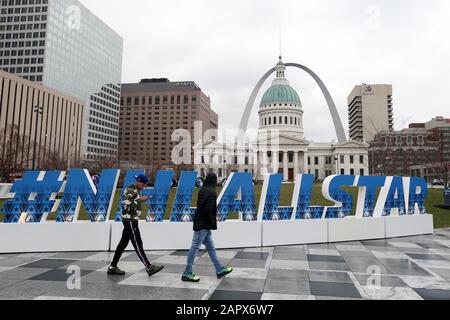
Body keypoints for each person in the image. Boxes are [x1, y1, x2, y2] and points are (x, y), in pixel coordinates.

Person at [108, 174, 164, 277]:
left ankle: (112, 267)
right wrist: (140, 200)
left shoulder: (134, 190)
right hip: (130, 220)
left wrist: (139, 199)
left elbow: (131, 202)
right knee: (137, 243)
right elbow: (126, 205)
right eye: (144, 185)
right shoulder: (131, 190)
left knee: (123, 243)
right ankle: (149, 267)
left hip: (130, 220)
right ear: (140, 182)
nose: (144, 187)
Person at [182, 173, 233, 282]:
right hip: (203, 225)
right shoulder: (211, 192)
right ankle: (187, 272)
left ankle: (219, 269)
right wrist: (212, 223)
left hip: (200, 222)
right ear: (214, 181)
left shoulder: (203, 190)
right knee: (195, 247)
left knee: (210, 247)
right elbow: (208, 210)